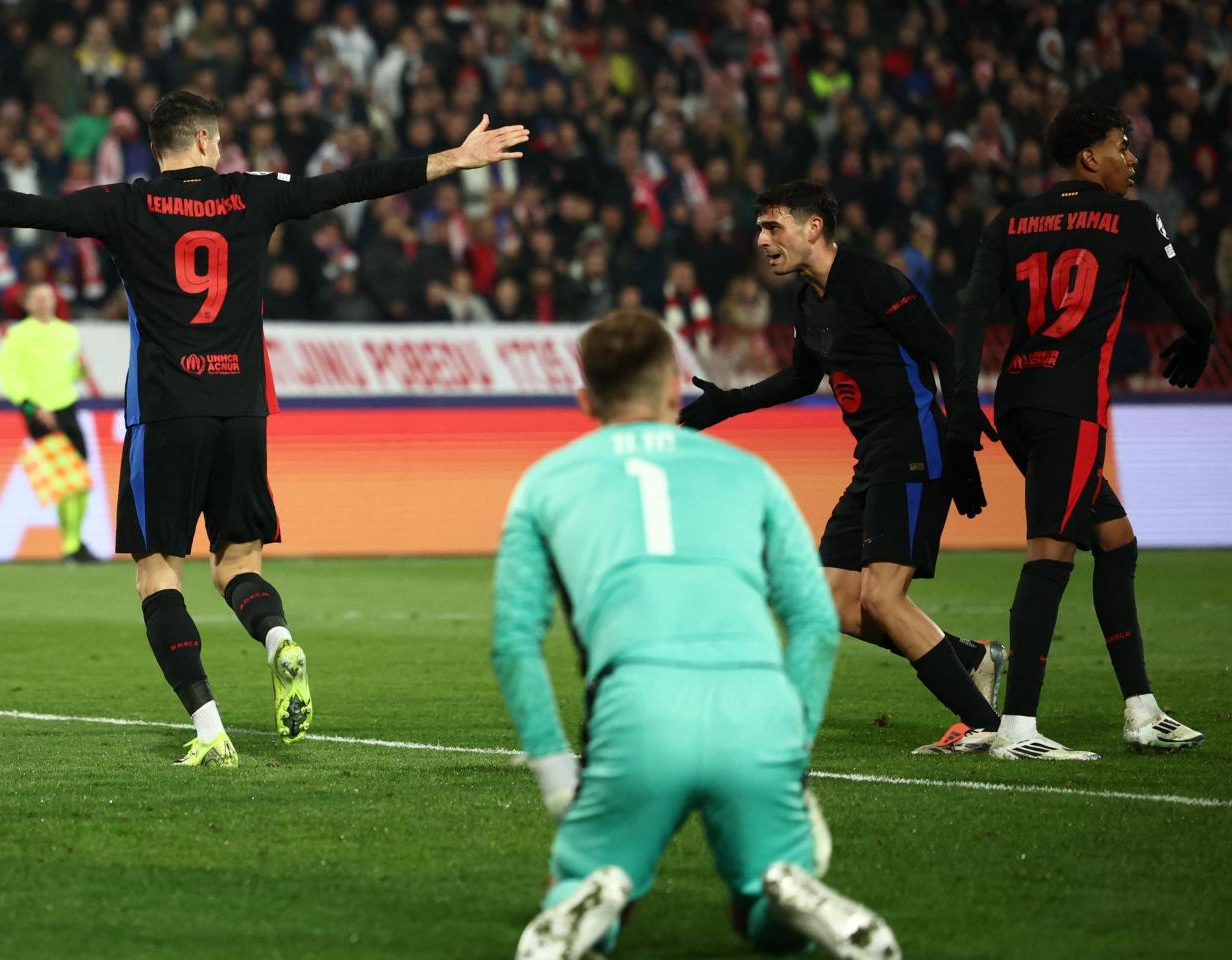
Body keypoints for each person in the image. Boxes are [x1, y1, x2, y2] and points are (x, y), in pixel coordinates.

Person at [0, 91, 529, 766]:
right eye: (219, 138)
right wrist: (451, 159)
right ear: (204, 141)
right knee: (238, 562)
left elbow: (20, 210)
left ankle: (210, 727)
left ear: (161, 145)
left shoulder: (125, 205)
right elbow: (349, 184)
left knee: (156, 571)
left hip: (167, 408)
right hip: (244, 409)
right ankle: (278, 636)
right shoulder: (252, 195)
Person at [495, 309, 898, 960]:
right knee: (767, 916)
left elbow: (514, 642)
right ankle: (789, 891)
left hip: (637, 713)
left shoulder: (545, 482)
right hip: (758, 709)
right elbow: (816, 624)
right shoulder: (751, 474)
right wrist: (793, 744)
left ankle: (597, 888)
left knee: (573, 883)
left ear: (585, 400)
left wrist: (555, 778)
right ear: (675, 393)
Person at [681, 181, 1007, 755]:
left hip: (913, 448)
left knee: (882, 598)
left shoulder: (875, 282)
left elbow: (945, 350)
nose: (762, 240)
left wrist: (960, 434)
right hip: (874, 459)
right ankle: (972, 658)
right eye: (759, 229)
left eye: (773, 226)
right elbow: (802, 378)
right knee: (830, 601)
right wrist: (728, 403)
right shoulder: (808, 301)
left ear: (814, 228)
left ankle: (985, 724)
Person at [949, 103, 1213, 761]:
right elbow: (1187, 304)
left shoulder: (1009, 222)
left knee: (1115, 543)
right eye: (1122, 147)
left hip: (1016, 403)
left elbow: (971, 310)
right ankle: (1017, 727)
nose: (1131, 159)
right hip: (1072, 409)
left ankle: (1142, 710)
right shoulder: (1128, 217)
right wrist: (1201, 336)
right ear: (1089, 157)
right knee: (1050, 556)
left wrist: (960, 402)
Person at [0, 281, 98, 564]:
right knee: (67, 482)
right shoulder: (17, 335)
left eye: (47, 298)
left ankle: (76, 543)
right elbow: (8, 375)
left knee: (82, 481)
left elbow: (71, 372)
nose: (43, 303)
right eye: (37, 298)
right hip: (40, 412)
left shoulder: (68, 332)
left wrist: (82, 369)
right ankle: (72, 546)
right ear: (27, 304)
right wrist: (31, 406)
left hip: (67, 407)